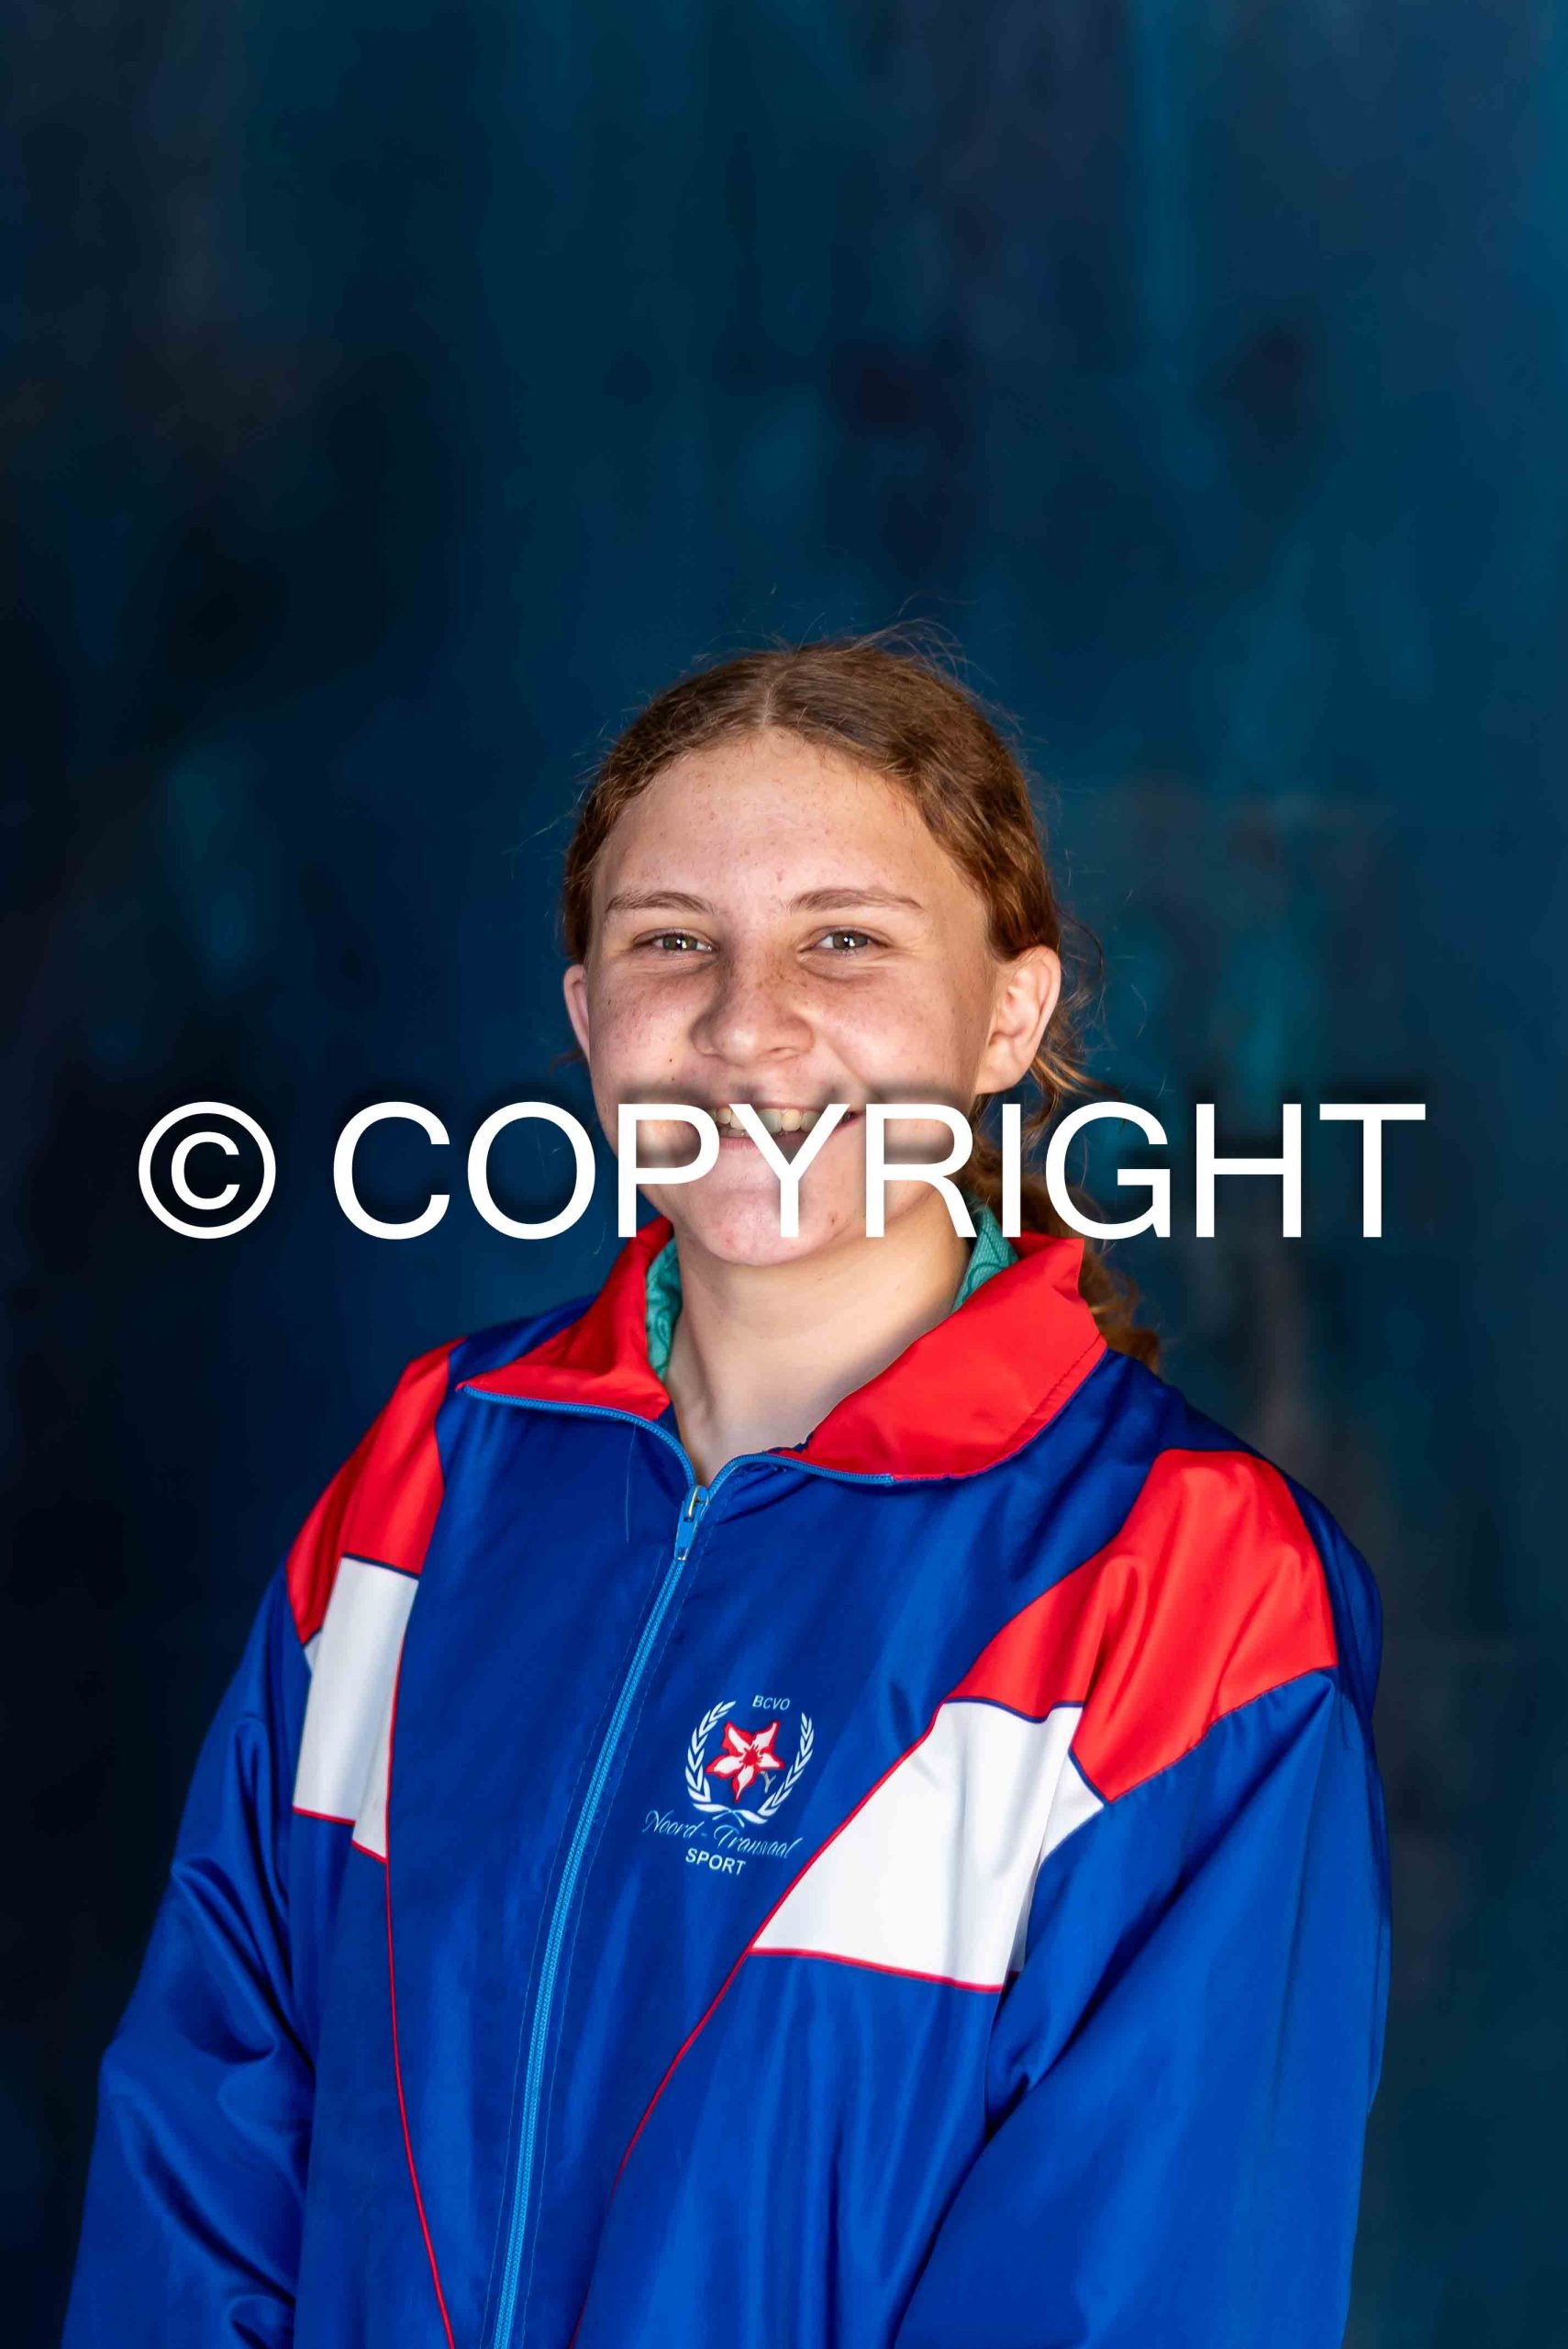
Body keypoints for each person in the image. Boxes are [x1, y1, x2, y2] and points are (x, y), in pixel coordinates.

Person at [63, 636, 1390, 2348]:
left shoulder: (1184, 1582)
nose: (746, 1024)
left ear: (1007, 1016)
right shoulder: (429, 1474)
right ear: (584, 1018)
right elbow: (206, 2139)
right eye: (670, 941)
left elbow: (1141, 2289)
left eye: (845, 940)